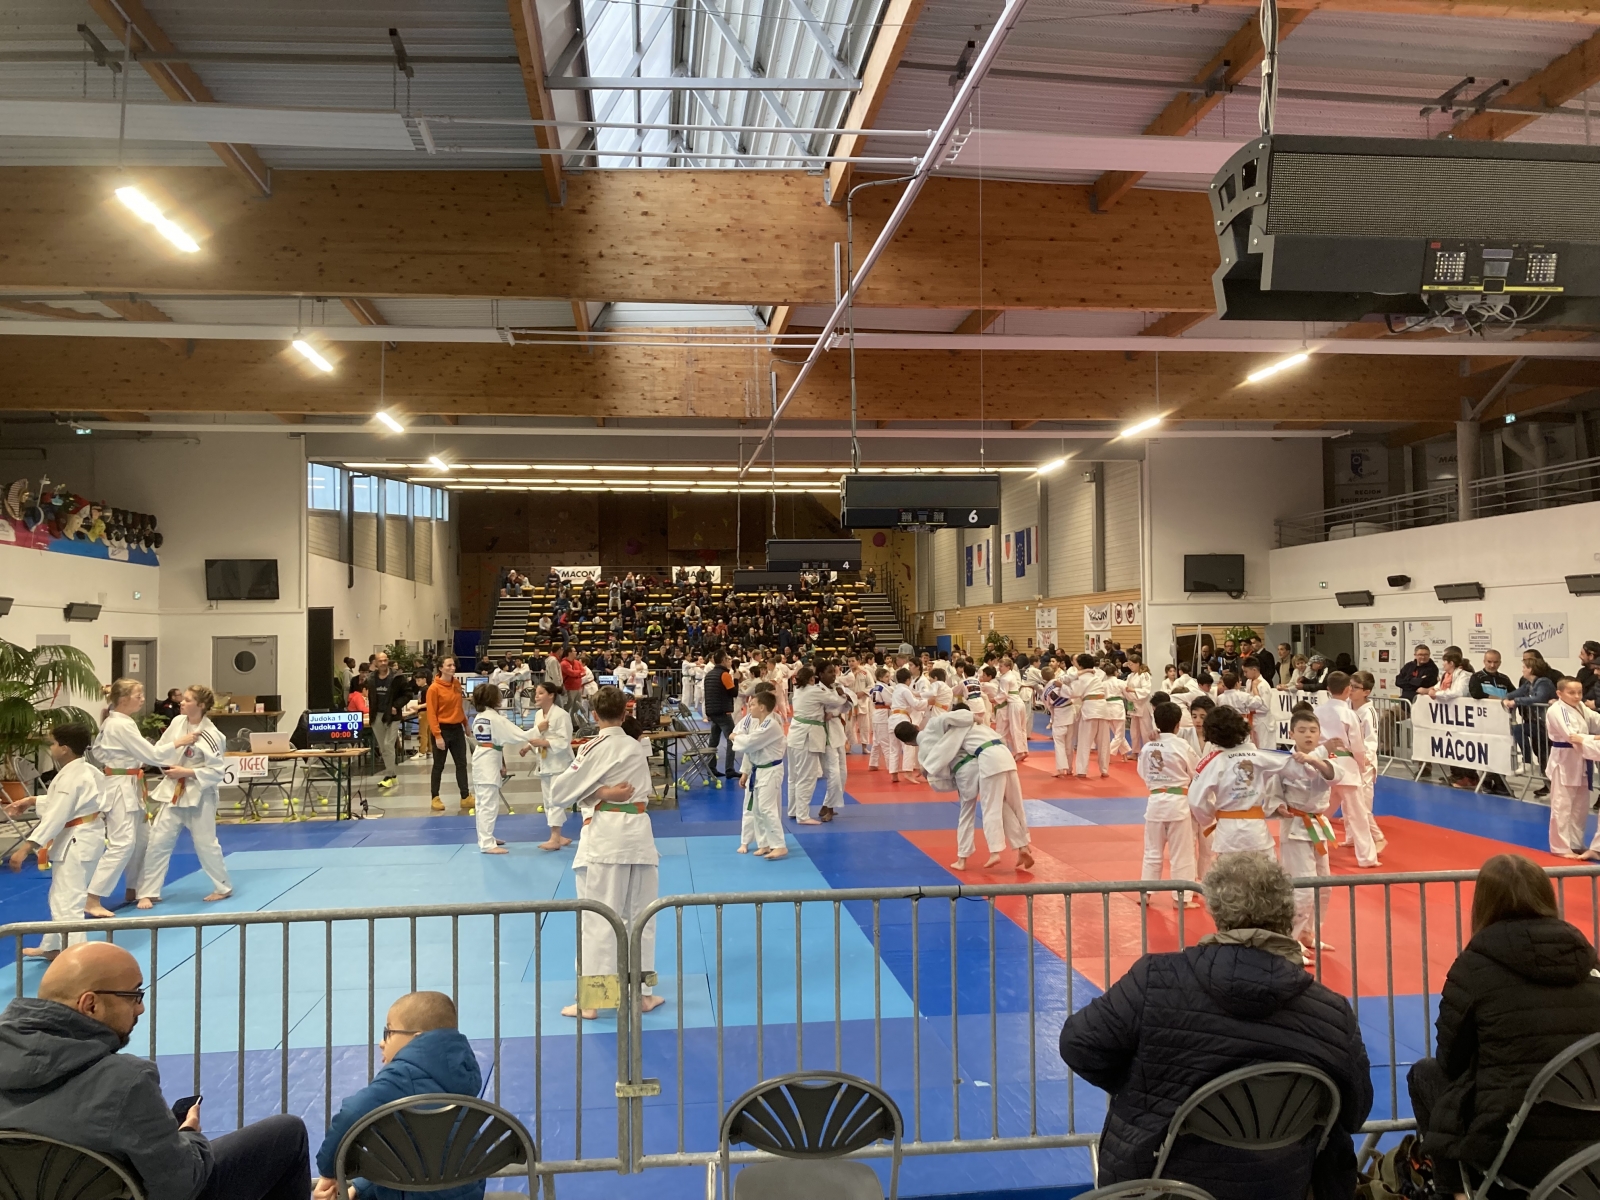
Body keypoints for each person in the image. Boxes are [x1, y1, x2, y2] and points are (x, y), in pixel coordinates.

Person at [1060, 854, 1372, 1200]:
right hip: (1283, 1182)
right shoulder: (1331, 1012)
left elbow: (1079, 1044)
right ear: (1287, 915)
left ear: (1217, 911)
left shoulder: (1156, 979)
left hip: (1161, 1179)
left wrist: (1144, 1087)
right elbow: (1354, 1111)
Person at [0, 942, 311, 1200]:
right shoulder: (125, 1081)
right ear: (90, 1005)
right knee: (287, 1133)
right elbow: (180, 1186)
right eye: (134, 995)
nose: (140, 1008)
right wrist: (190, 1136)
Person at [1408, 854, 1600, 1195]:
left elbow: (1450, 1061)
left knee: (1425, 1073)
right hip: (1593, 1146)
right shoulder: (1591, 964)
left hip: (1516, 1147)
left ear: (1482, 906)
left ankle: (1453, 1192)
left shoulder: (1473, 968)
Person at [546, 686, 664, 1020]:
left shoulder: (594, 747)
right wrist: (603, 791)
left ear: (593, 715)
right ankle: (642, 994)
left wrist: (596, 794)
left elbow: (558, 792)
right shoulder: (636, 746)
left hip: (607, 841)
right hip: (640, 837)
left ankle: (595, 1000)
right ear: (626, 713)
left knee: (598, 919)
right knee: (641, 918)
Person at [314, 991, 482, 1200]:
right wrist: (359, 1188)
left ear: (417, 1039)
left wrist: (329, 1170)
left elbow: (351, 1114)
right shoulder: (466, 1075)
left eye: (389, 1032)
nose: (381, 1042)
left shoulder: (401, 1076)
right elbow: (419, 1155)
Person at [4, 724, 109, 958]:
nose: (50, 747)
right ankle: (53, 946)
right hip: (86, 836)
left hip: (77, 840)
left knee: (68, 900)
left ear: (65, 748)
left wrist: (26, 847)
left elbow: (58, 815)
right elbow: (71, 804)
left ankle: (76, 957)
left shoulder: (72, 777)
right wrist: (31, 801)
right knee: (60, 895)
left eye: (53, 743)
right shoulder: (88, 770)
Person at [137, 685, 232, 908]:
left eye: (188, 700)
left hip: (199, 795)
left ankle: (223, 887)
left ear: (201, 705)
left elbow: (218, 771)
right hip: (173, 791)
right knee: (158, 841)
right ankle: (149, 891)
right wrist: (167, 765)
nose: (182, 702)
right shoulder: (177, 723)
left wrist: (187, 772)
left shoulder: (211, 735)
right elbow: (162, 749)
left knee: (206, 843)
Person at [905, 706, 1032, 872]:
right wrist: (974, 716)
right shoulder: (975, 728)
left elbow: (935, 773)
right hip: (991, 760)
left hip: (971, 769)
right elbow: (954, 719)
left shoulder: (939, 734)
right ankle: (1022, 845)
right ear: (916, 727)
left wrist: (950, 782)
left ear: (908, 743)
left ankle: (967, 857)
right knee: (1004, 806)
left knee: (972, 813)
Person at [86, 679, 171, 914]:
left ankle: (134, 888)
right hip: (120, 786)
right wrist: (179, 744)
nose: (142, 699)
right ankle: (92, 898)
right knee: (122, 843)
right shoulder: (119, 725)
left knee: (143, 839)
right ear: (123, 700)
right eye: (138, 695)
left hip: (131, 783)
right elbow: (151, 754)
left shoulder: (121, 721)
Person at [1275, 707, 1339, 954]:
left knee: (1323, 886)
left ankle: (1310, 933)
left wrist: (1316, 757)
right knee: (1301, 888)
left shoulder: (1325, 761)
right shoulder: (1284, 763)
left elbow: (1334, 777)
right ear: (1291, 733)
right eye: (1302, 731)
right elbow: (1271, 792)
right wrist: (1278, 805)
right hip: (1295, 828)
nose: (1308, 735)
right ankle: (1289, 941)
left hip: (1319, 825)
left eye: (1313, 730)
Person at [1315, 672, 1381, 869]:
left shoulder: (1317, 711)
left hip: (1324, 763)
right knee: (1358, 813)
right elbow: (1358, 746)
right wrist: (1361, 765)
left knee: (1320, 811)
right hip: (1345, 766)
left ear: (1327, 689)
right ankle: (1367, 858)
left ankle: (1311, 846)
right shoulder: (1349, 714)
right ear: (1347, 690)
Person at [1136, 701, 1199, 907]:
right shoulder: (1182, 746)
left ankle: (1145, 894)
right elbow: (1196, 771)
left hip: (1154, 802)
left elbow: (1141, 773)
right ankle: (1182, 898)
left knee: (1152, 850)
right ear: (1178, 725)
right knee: (1182, 853)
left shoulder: (1147, 747)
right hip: (1178, 802)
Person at [467, 682, 533, 856]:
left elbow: (496, 741)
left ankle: (485, 837)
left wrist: (502, 763)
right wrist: (538, 729)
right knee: (488, 803)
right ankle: (487, 843)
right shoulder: (495, 718)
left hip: (485, 757)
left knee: (483, 802)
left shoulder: (480, 717)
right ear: (493, 698)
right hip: (487, 760)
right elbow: (519, 735)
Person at [1545, 677, 1600, 858]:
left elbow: (1596, 721)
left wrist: (1592, 738)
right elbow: (1572, 736)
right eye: (1571, 693)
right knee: (1562, 805)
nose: (1577, 696)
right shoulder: (1557, 710)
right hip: (1565, 761)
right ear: (1560, 694)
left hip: (1583, 760)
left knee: (1580, 807)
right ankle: (1560, 847)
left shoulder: (1581, 707)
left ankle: (1576, 843)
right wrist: (1592, 739)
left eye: (1579, 692)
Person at [732, 689, 787, 859]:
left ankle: (779, 845)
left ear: (762, 707)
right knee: (757, 809)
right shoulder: (759, 723)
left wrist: (735, 737)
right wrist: (746, 771)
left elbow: (749, 743)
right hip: (760, 769)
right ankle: (764, 843)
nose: (749, 707)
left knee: (766, 808)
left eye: (753, 704)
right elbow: (751, 747)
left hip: (770, 770)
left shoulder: (771, 725)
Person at [525, 681, 576, 852]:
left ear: (551, 695)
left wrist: (544, 742)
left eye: (540, 693)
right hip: (545, 762)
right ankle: (558, 836)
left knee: (555, 799)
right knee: (548, 800)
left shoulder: (561, 715)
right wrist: (528, 746)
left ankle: (555, 837)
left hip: (559, 763)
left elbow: (564, 741)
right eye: (536, 693)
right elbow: (536, 735)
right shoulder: (539, 715)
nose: (536, 696)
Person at [424, 657, 473, 815]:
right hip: (442, 730)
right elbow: (431, 714)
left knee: (462, 763)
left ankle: (465, 796)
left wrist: (465, 724)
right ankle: (435, 797)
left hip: (457, 728)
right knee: (439, 765)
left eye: (453, 665)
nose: (453, 667)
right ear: (441, 668)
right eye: (449, 665)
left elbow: (458, 706)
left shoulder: (456, 683)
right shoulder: (434, 689)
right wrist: (437, 736)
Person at [365, 653, 414, 790]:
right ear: (375, 663)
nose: (383, 663)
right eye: (380, 661)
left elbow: (408, 694)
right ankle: (391, 776)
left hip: (392, 716)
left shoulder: (397, 677)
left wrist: (396, 705)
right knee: (383, 747)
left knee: (388, 744)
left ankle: (389, 775)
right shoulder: (371, 679)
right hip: (377, 716)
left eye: (385, 660)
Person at [702, 650, 738, 777]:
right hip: (723, 711)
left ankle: (711, 767)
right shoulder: (724, 675)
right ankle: (729, 769)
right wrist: (737, 681)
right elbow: (733, 693)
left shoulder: (709, 675)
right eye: (728, 659)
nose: (729, 661)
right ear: (723, 661)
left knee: (714, 740)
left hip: (712, 711)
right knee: (732, 739)